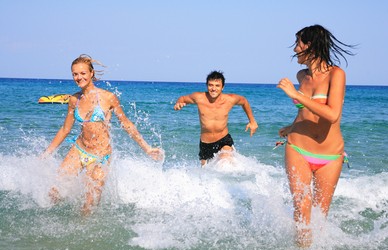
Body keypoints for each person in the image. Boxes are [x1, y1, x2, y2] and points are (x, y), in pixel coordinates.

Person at [43, 54, 164, 215]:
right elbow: (65, 130)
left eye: (83, 73)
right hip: (79, 150)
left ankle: (83, 234)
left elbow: (126, 124)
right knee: (54, 193)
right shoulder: (74, 100)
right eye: (75, 74)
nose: (79, 77)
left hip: (101, 156)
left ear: (91, 73)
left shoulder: (108, 97)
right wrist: (47, 153)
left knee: (89, 203)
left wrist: (147, 148)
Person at [276, 25, 354, 247]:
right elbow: (305, 111)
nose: (295, 48)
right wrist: (290, 127)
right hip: (298, 148)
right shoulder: (302, 75)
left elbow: (332, 113)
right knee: (301, 206)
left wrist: (293, 93)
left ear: (309, 46)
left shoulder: (336, 74)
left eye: (298, 43)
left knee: (319, 217)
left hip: (330, 156)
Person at [174, 71, 258, 166]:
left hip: (224, 140)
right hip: (205, 144)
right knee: (206, 173)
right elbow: (183, 98)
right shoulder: (199, 97)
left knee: (225, 160)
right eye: (211, 85)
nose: (213, 89)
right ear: (207, 85)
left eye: (217, 85)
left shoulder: (229, 99)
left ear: (222, 87)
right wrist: (179, 103)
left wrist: (252, 121)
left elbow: (244, 101)